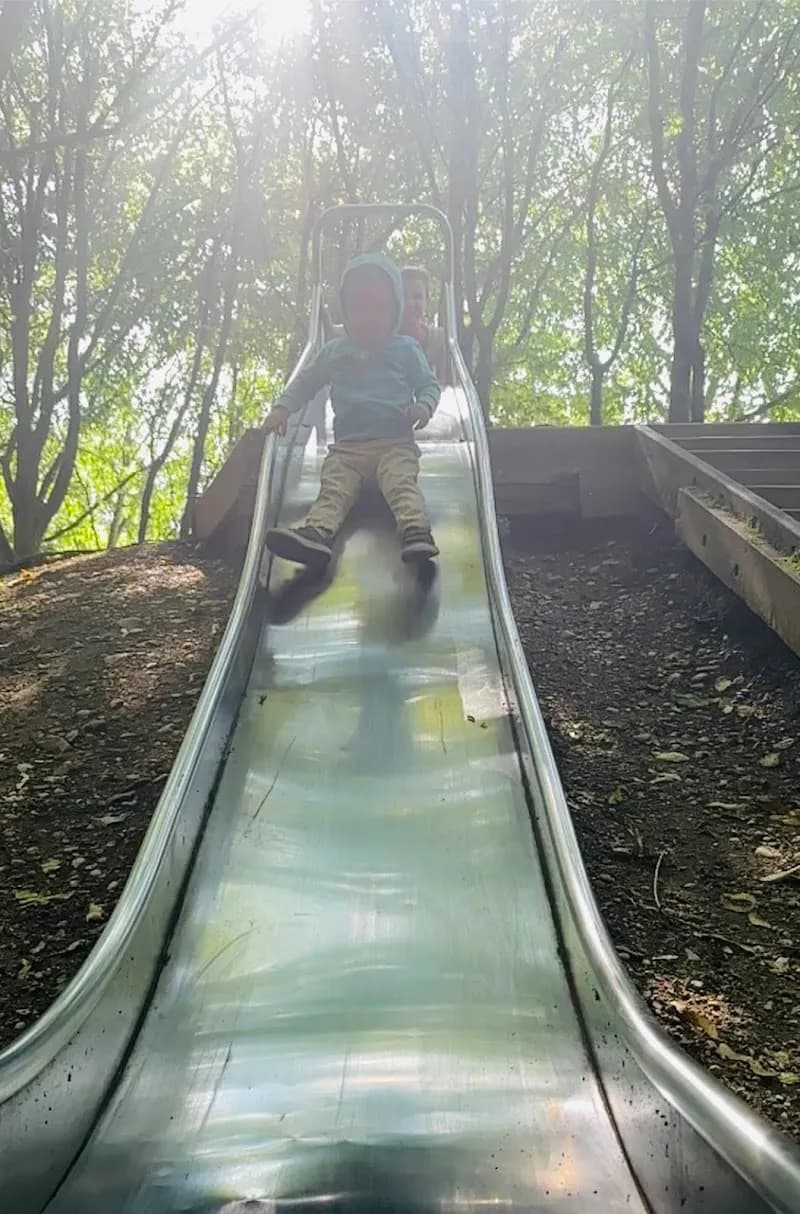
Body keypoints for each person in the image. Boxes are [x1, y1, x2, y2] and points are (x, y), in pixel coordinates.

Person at [262, 252, 441, 566]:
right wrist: (282, 408)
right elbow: (306, 382)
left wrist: (423, 406)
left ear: (395, 313)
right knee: (333, 489)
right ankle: (317, 534)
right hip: (347, 450)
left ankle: (415, 531)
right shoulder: (335, 351)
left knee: (402, 484)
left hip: (394, 444)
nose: (369, 316)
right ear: (346, 311)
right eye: (359, 308)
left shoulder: (405, 349)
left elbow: (428, 384)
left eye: (379, 308)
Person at [400, 266, 448, 385]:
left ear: (426, 301)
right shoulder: (381, 340)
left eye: (417, 297)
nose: (409, 303)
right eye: (403, 296)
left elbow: (448, 386)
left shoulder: (440, 339)